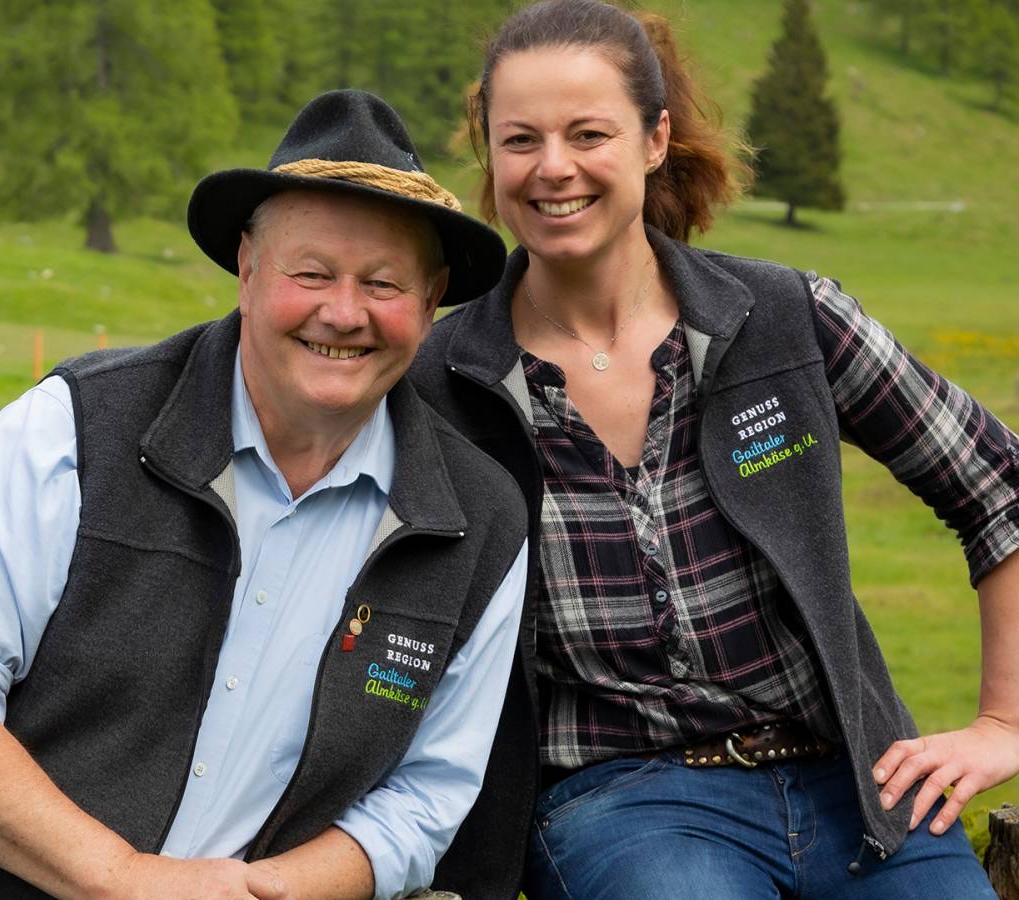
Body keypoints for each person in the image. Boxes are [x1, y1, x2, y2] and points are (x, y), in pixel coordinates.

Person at [0, 89, 531, 900]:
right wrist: (124, 881)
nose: (343, 314)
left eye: (382, 284)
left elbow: (426, 797)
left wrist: (265, 894)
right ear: (246, 268)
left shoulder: (478, 519)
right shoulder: (73, 428)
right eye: (310, 273)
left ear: (431, 296)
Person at [408, 1, 1019, 897]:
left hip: (855, 782)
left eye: (588, 134)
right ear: (488, 157)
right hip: (622, 803)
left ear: (655, 140)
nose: (553, 169)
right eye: (520, 141)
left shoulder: (783, 320)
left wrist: (1003, 720)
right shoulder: (444, 380)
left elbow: (997, 487)